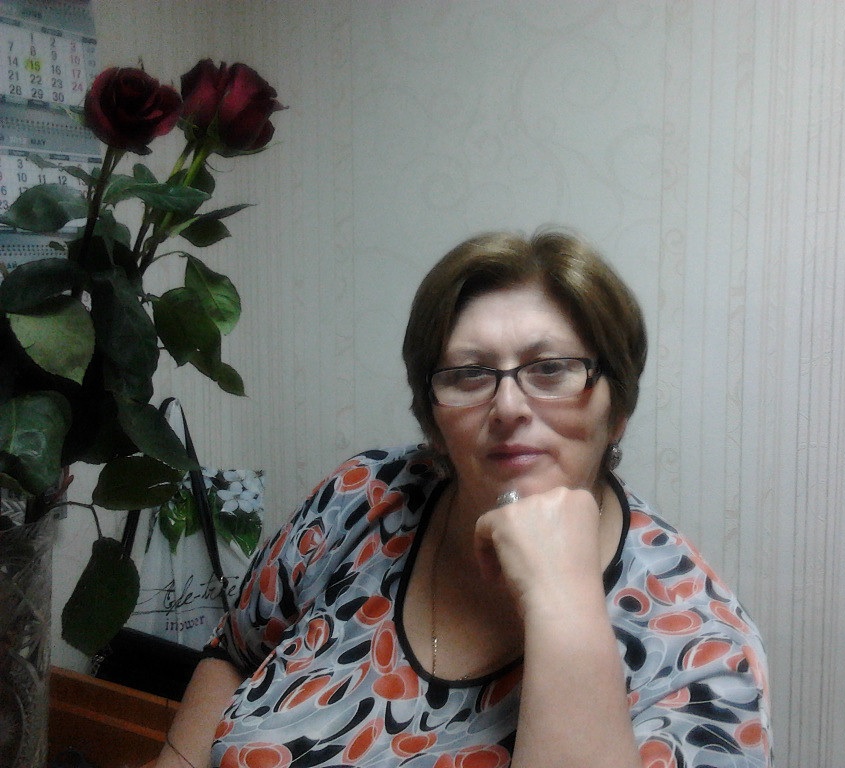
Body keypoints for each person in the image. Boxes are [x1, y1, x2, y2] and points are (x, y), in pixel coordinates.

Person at [154, 230, 772, 768]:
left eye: (551, 369)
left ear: (618, 408)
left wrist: (562, 599)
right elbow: (235, 651)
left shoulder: (701, 653)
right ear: (433, 414)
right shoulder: (365, 495)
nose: (508, 406)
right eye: (469, 374)